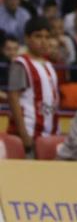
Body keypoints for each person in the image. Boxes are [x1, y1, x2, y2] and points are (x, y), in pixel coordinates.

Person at [7, 17, 58, 155]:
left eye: (47, 37)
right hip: (29, 135)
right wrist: (24, 135)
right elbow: (13, 98)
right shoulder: (21, 63)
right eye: (38, 36)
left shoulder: (49, 65)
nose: (43, 41)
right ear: (27, 38)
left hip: (48, 135)